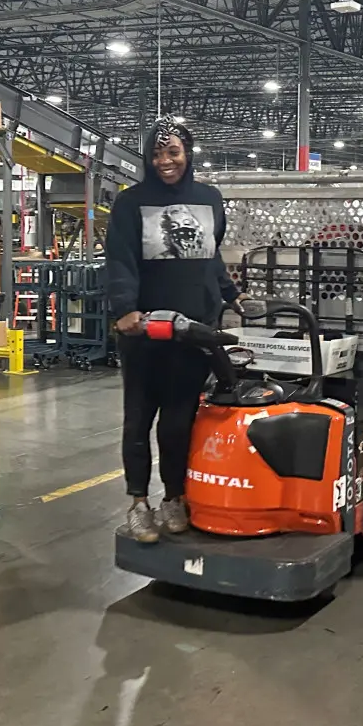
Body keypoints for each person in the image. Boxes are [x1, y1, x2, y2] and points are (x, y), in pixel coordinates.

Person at [104, 115, 247, 543]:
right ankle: (137, 502)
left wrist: (230, 293)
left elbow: (209, 255)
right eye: (157, 153)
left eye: (173, 152)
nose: (165, 161)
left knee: (179, 420)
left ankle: (173, 497)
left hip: (194, 329)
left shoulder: (209, 198)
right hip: (145, 330)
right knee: (139, 418)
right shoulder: (131, 202)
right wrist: (125, 309)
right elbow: (120, 258)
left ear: (188, 154)